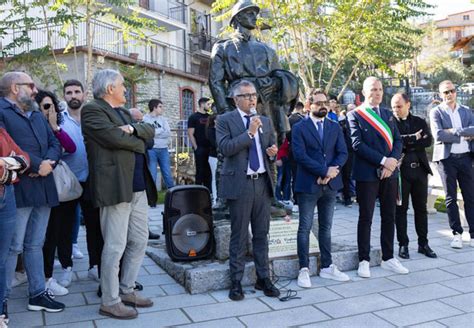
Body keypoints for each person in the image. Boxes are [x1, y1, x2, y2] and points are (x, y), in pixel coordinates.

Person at [82, 69, 157, 319]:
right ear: (109, 89)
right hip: (115, 187)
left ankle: (127, 289)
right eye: (122, 85)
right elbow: (113, 138)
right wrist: (136, 138)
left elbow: (150, 134)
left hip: (137, 187)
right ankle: (110, 300)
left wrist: (133, 131)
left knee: (139, 239)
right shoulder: (92, 109)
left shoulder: (124, 112)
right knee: (115, 246)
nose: (125, 89)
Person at [0, 72, 65, 313]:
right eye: (30, 85)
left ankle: (37, 294)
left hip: (44, 186)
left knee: (35, 243)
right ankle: (2, 300)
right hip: (19, 188)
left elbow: (54, 142)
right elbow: (8, 150)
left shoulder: (36, 113)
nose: (36, 90)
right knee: (12, 246)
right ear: (16, 88)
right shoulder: (2, 112)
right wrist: (38, 165)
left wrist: (50, 163)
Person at [216, 80, 280, 301]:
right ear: (236, 99)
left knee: (262, 234)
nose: (252, 99)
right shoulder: (225, 120)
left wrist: (272, 152)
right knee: (240, 235)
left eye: (254, 95)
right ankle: (236, 281)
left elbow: (271, 148)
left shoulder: (264, 120)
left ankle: (263, 278)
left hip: (262, 182)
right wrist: (249, 134)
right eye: (246, 95)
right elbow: (225, 149)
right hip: (240, 184)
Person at [209, 0, 298, 144]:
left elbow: (279, 75)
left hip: (267, 107)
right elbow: (215, 82)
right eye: (250, 13)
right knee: (239, 151)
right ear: (238, 17)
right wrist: (226, 112)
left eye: (256, 14)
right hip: (237, 106)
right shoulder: (223, 47)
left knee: (269, 150)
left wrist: (275, 84)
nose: (255, 17)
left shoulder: (267, 50)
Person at [347, 76, 409, 278]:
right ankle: (363, 260)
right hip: (367, 173)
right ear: (364, 92)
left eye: (380, 89)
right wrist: (384, 161)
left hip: (390, 173)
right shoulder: (355, 114)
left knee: (389, 216)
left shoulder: (387, 114)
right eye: (373, 89)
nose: (378, 93)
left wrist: (391, 163)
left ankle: (388, 257)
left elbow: (398, 141)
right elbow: (358, 145)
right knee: (366, 217)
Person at [292, 89, 349, 288]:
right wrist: (323, 171)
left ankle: (327, 266)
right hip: (308, 184)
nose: (323, 106)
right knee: (304, 228)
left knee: (326, 228)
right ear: (309, 105)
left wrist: (332, 172)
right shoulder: (299, 127)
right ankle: (304, 269)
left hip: (330, 185)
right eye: (318, 103)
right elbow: (300, 155)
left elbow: (342, 152)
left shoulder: (334, 126)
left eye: (325, 102)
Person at [35, 90, 77, 296]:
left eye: (51, 106)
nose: (48, 110)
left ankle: (64, 267)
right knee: (46, 235)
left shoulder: (56, 126)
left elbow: (71, 147)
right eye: (44, 106)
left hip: (60, 187)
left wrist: (54, 126)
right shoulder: (31, 126)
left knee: (63, 230)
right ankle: (43, 277)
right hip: (40, 186)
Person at [392, 93, 437, 259]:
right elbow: (393, 142)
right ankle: (403, 244)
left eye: (399, 106)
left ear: (408, 105)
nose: (396, 110)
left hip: (420, 171)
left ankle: (423, 244)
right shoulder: (391, 123)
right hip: (401, 172)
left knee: (421, 209)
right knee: (401, 210)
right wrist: (413, 138)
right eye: (394, 106)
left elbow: (427, 141)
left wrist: (406, 142)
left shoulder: (419, 121)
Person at [429, 80, 474, 249]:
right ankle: (456, 234)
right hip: (447, 159)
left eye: (451, 91)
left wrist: (454, 132)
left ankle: (473, 233)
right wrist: (464, 132)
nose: (449, 94)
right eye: (445, 92)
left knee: (471, 197)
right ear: (440, 95)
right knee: (450, 197)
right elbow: (439, 135)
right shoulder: (436, 112)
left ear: (456, 92)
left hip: (466, 158)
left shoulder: (466, 111)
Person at [0, 126, 29, 327]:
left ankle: (0, 307)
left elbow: (24, 158)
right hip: (6, 189)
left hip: (6, 197)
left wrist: (5, 163)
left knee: (1, 259)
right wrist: (8, 166)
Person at [143, 99, 174, 190]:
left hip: (164, 149)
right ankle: (151, 201)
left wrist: (155, 133)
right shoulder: (145, 119)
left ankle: (174, 196)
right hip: (151, 150)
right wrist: (160, 131)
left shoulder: (163, 119)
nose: (162, 109)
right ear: (154, 107)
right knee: (152, 174)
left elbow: (168, 133)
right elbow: (147, 133)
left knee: (167, 174)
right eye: (160, 107)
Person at [188, 97, 212, 191]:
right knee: (200, 171)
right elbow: (190, 134)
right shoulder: (193, 117)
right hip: (200, 148)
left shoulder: (209, 117)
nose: (209, 106)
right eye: (208, 104)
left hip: (209, 148)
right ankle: (198, 192)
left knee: (208, 172)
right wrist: (196, 147)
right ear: (202, 104)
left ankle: (209, 192)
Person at [205, 113, 218, 206]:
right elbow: (215, 143)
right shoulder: (211, 130)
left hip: (220, 156)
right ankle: (215, 198)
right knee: (214, 178)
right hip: (214, 156)